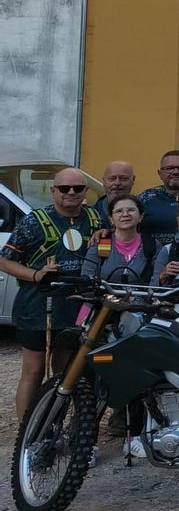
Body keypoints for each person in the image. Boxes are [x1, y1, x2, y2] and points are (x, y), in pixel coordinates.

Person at [0, 168, 102, 420]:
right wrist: (36, 274)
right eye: (64, 188)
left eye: (78, 188)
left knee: (65, 371)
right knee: (34, 371)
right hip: (38, 306)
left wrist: (105, 234)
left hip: (76, 308)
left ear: (85, 192)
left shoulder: (95, 219)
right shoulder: (34, 221)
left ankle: (54, 424)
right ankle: (28, 428)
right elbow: (4, 260)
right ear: (53, 191)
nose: (71, 193)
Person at [79, 194, 159, 457]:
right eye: (119, 211)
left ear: (140, 216)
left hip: (136, 320)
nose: (125, 215)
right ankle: (87, 442)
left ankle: (133, 435)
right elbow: (87, 280)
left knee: (135, 377)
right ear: (111, 218)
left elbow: (156, 283)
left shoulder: (151, 245)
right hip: (102, 319)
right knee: (93, 379)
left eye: (131, 210)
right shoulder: (102, 244)